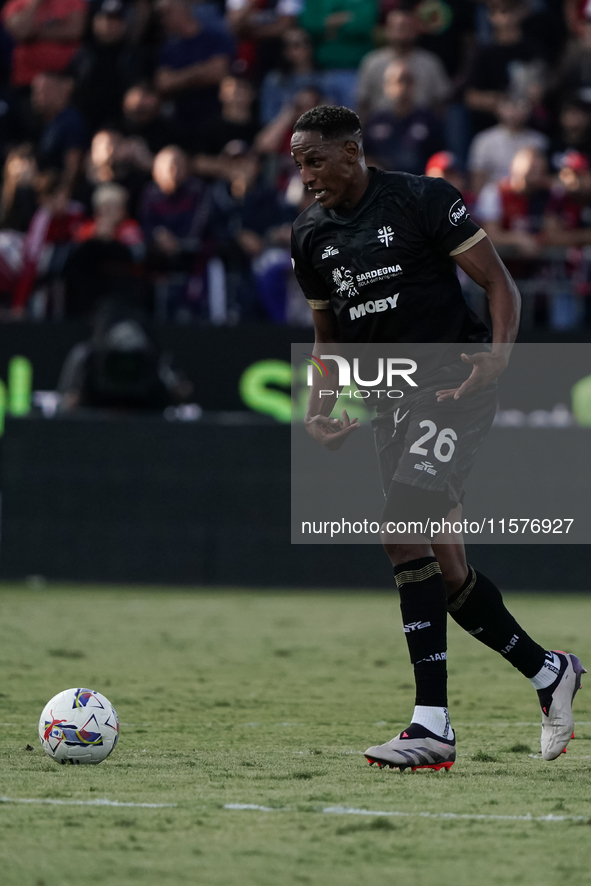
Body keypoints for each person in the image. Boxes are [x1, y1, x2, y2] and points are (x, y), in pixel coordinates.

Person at [290, 104, 584, 770]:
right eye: (296, 162)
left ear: (350, 152)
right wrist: (323, 407)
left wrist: (502, 356)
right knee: (445, 568)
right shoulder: (309, 235)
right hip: (388, 401)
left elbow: (497, 282)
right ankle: (548, 671)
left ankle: (431, 727)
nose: (305, 175)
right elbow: (326, 340)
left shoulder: (421, 199)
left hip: (454, 385)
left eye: (314, 159)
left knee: (399, 529)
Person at [155, 0, 234, 142]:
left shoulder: (214, 37)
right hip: (182, 119)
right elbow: (164, 84)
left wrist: (180, 77)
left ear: (183, 10)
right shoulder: (169, 48)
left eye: (167, 12)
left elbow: (219, 72)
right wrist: (201, 71)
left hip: (215, 114)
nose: (163, 19)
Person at [68, 0, 152, 133]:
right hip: (85, 123)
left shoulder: (135, 55)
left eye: (115, 20)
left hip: (123, 126)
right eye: (104, 18)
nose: (108, 24)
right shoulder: (84, 55)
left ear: (124, 23)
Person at [357, 8, 451, 124]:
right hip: (380, 126)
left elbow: (440, 103)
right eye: (399, 27)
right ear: (387, 30)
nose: (403, 32)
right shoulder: (372, 62)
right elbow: (363, 103)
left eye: (408, 27)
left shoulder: (430, 62)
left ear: (416, 31)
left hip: (421, 126)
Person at [363, 60, 444, 175]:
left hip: (420, 183)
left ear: (414, 85)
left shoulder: (428, 119)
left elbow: (440, 157)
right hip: (384, 185)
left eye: (408, 81)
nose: (403, 86)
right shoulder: (375, 120)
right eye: (398, 81)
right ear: (386, 87)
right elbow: (364, 157)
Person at [299, 0, 378, 110]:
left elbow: (364, 24)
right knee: (316, 123)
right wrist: (345, 21)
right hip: (318, 73)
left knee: (351, 122)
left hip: (355, 72)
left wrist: (327, 25)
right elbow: (308, 24)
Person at [468, 95, 548, 194]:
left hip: (530, 196)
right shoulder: (484, 140)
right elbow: (478, 177)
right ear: (499, 110)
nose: (515, 111)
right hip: (495, 197)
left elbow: (544, 178)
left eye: (521, 107)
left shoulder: (539, 141)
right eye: (509, 107)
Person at [1, 0, 87, 88]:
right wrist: (35, 4)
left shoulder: (73, 2)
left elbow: (74, 31)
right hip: (25, 80)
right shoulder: (16, 3)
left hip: (64, 79)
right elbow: (21, 32)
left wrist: (35, 32)